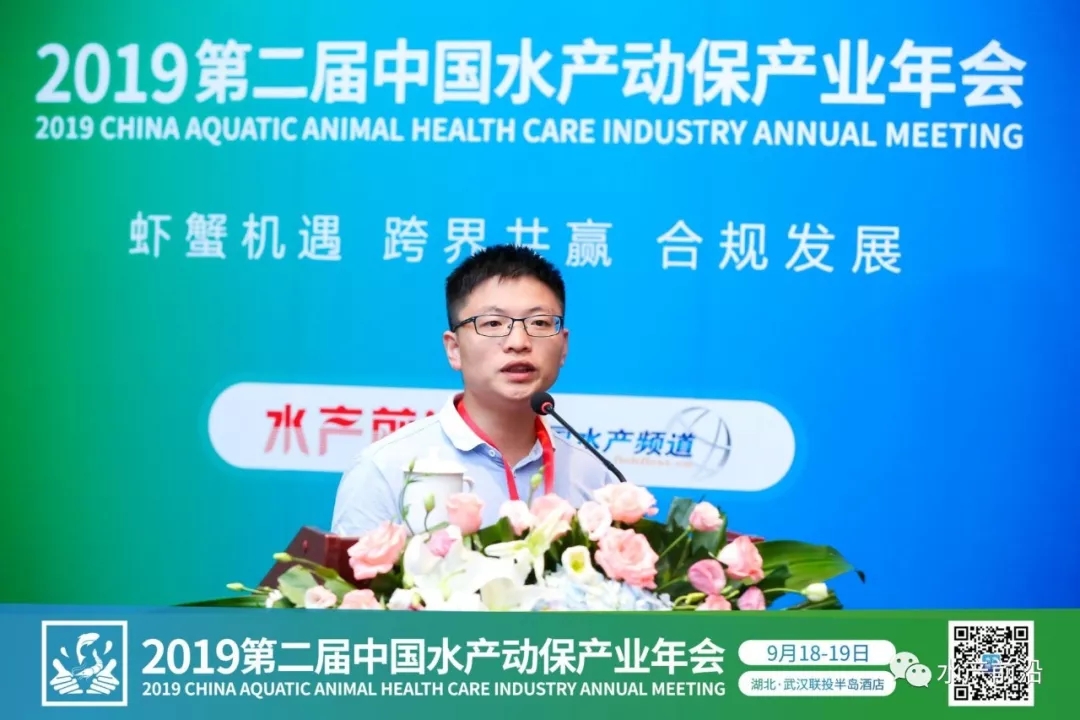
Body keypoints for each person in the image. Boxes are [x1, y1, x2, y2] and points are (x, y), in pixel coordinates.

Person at [330, 244, 618, 536]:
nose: (518, 342)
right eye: (493, 323)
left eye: (540, 322)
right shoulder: (385, 471)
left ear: (564, 347)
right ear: (454, 349)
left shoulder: (596, 477)